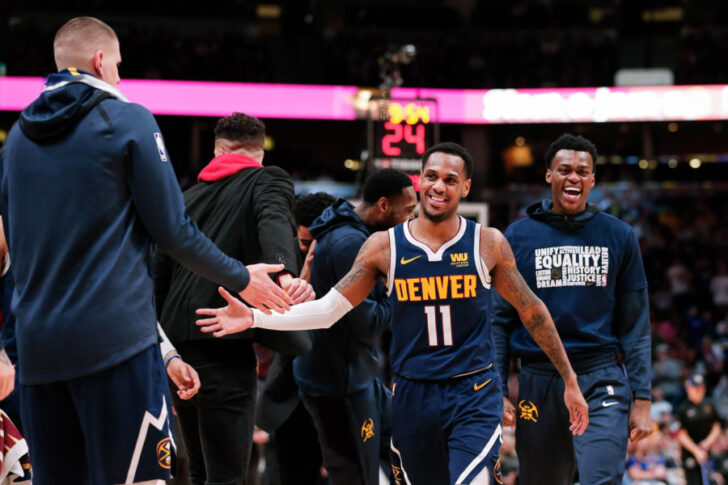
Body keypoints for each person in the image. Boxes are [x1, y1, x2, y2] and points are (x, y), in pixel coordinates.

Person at [0, 17, 290, 485]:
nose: (119, 74)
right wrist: (241, 278)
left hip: (38, 350)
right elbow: (173, 231)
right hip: (114, 346)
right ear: (99, 61)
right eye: (116, 64)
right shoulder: (127, 119)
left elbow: (8, 248)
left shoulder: (14, 142)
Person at [196, 142, 590, 485]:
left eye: (451, 180)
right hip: (413, 394)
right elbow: (329, 311)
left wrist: (569, 379)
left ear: (465, 187)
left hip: (473, 392)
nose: (439, 186)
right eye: (432, 176)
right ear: (421, 180)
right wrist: (255, 319)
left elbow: (531, 310)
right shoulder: (384, 247)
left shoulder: (487, 243)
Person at [155, 112, 313, 485]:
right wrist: (284, 272)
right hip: (224, 344)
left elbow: (158, 279)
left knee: (198, 473)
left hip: (176, 350)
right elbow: (273, 219)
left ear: (217, 149)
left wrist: (163, 355)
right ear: (259, 153)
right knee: (226, 477)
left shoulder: (184, 198)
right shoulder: (267, 177)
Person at [491, 133, 653, 485]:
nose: (574, 177)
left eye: (583, 171)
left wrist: (643, 396)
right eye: (564, 169)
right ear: (549, 175)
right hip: (538, 380)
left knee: (600, 477)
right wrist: (498, 388)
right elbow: (498, 320)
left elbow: (636, 324)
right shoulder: (517, 238)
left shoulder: (619, 235)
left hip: (601, 376)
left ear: (593, 180)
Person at [288, 169, 416, 485]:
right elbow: (366, 325)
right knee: (357, 477)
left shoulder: (352, 230)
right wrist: (398, 291)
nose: (411, 220)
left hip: (359, 377)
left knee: (411, 445)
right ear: (384, 206)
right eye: (408, 211)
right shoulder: (348, 244)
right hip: (338, 387)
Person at [255, 191, 335, 485]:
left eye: (318, 243)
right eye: (304, 242)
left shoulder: (349, 256)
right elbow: (266, 332)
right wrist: (300, 282)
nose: (311, 250)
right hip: (290, 397)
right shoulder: (279, 263)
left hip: (338, 393)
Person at [676, 374, 723, 485]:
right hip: (690, 454)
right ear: (688, 389)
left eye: (701, 388)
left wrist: (706, 444)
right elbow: (681, 435)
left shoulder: (709, 405)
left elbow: (716, 427)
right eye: (696, 388)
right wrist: (696, 451)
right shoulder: (683, 408)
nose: (699, 391)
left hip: (706, 451)